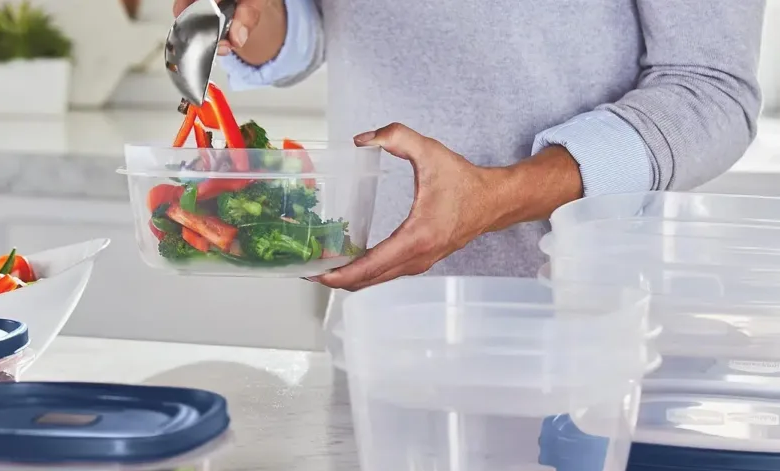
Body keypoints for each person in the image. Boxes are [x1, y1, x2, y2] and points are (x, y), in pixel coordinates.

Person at [173, 0, 766, 292]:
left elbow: (711, 87)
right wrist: (250, 16)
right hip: (381, 321)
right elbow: (320, 26)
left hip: (590, 315)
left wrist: (498, 195)